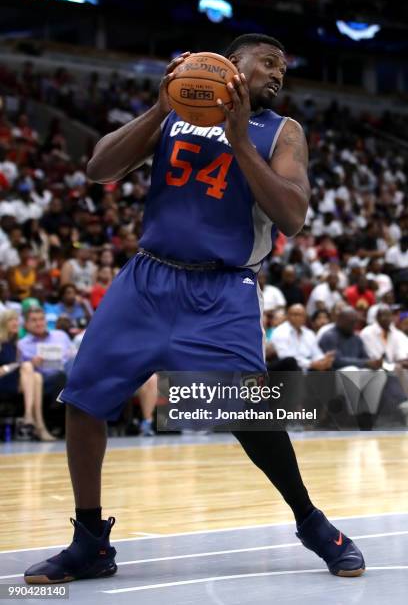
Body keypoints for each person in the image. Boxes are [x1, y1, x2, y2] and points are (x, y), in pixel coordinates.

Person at [24, 34, 364, 584]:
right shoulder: (176, 114)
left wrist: (238, 139)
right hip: (147, 279)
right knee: (83, 398)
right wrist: (161, 105)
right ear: (229, 66)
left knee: (248, 415)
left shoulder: (281, 130)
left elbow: (293, 215)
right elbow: (98, 168)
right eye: (270, 62)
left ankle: (312, 522)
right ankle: (90, 542)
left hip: (223, 288)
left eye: (285, 68)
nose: (279, 74)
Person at [0, 310, 55, 441]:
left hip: (13, 381)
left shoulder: (16, 343)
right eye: (11, 320)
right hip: (2, 380)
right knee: (28, 366)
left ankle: (39, 424)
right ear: (3, 323)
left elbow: (19, 364)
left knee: (37, 377)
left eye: (16, 320)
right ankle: (30, 417)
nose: (15, 323)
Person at [272, 304, 335, 371]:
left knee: (328, 368)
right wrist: (310, 364)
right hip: (289, 369)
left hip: (308, 367)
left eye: (301, 315)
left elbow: (316, 353)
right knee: (291, 362)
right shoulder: (280, 331)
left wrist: (323, 360)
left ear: (305, 318)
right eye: (295, 314)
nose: (298, 317)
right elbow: (284, 356)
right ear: (288, 316)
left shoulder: (309, 333)